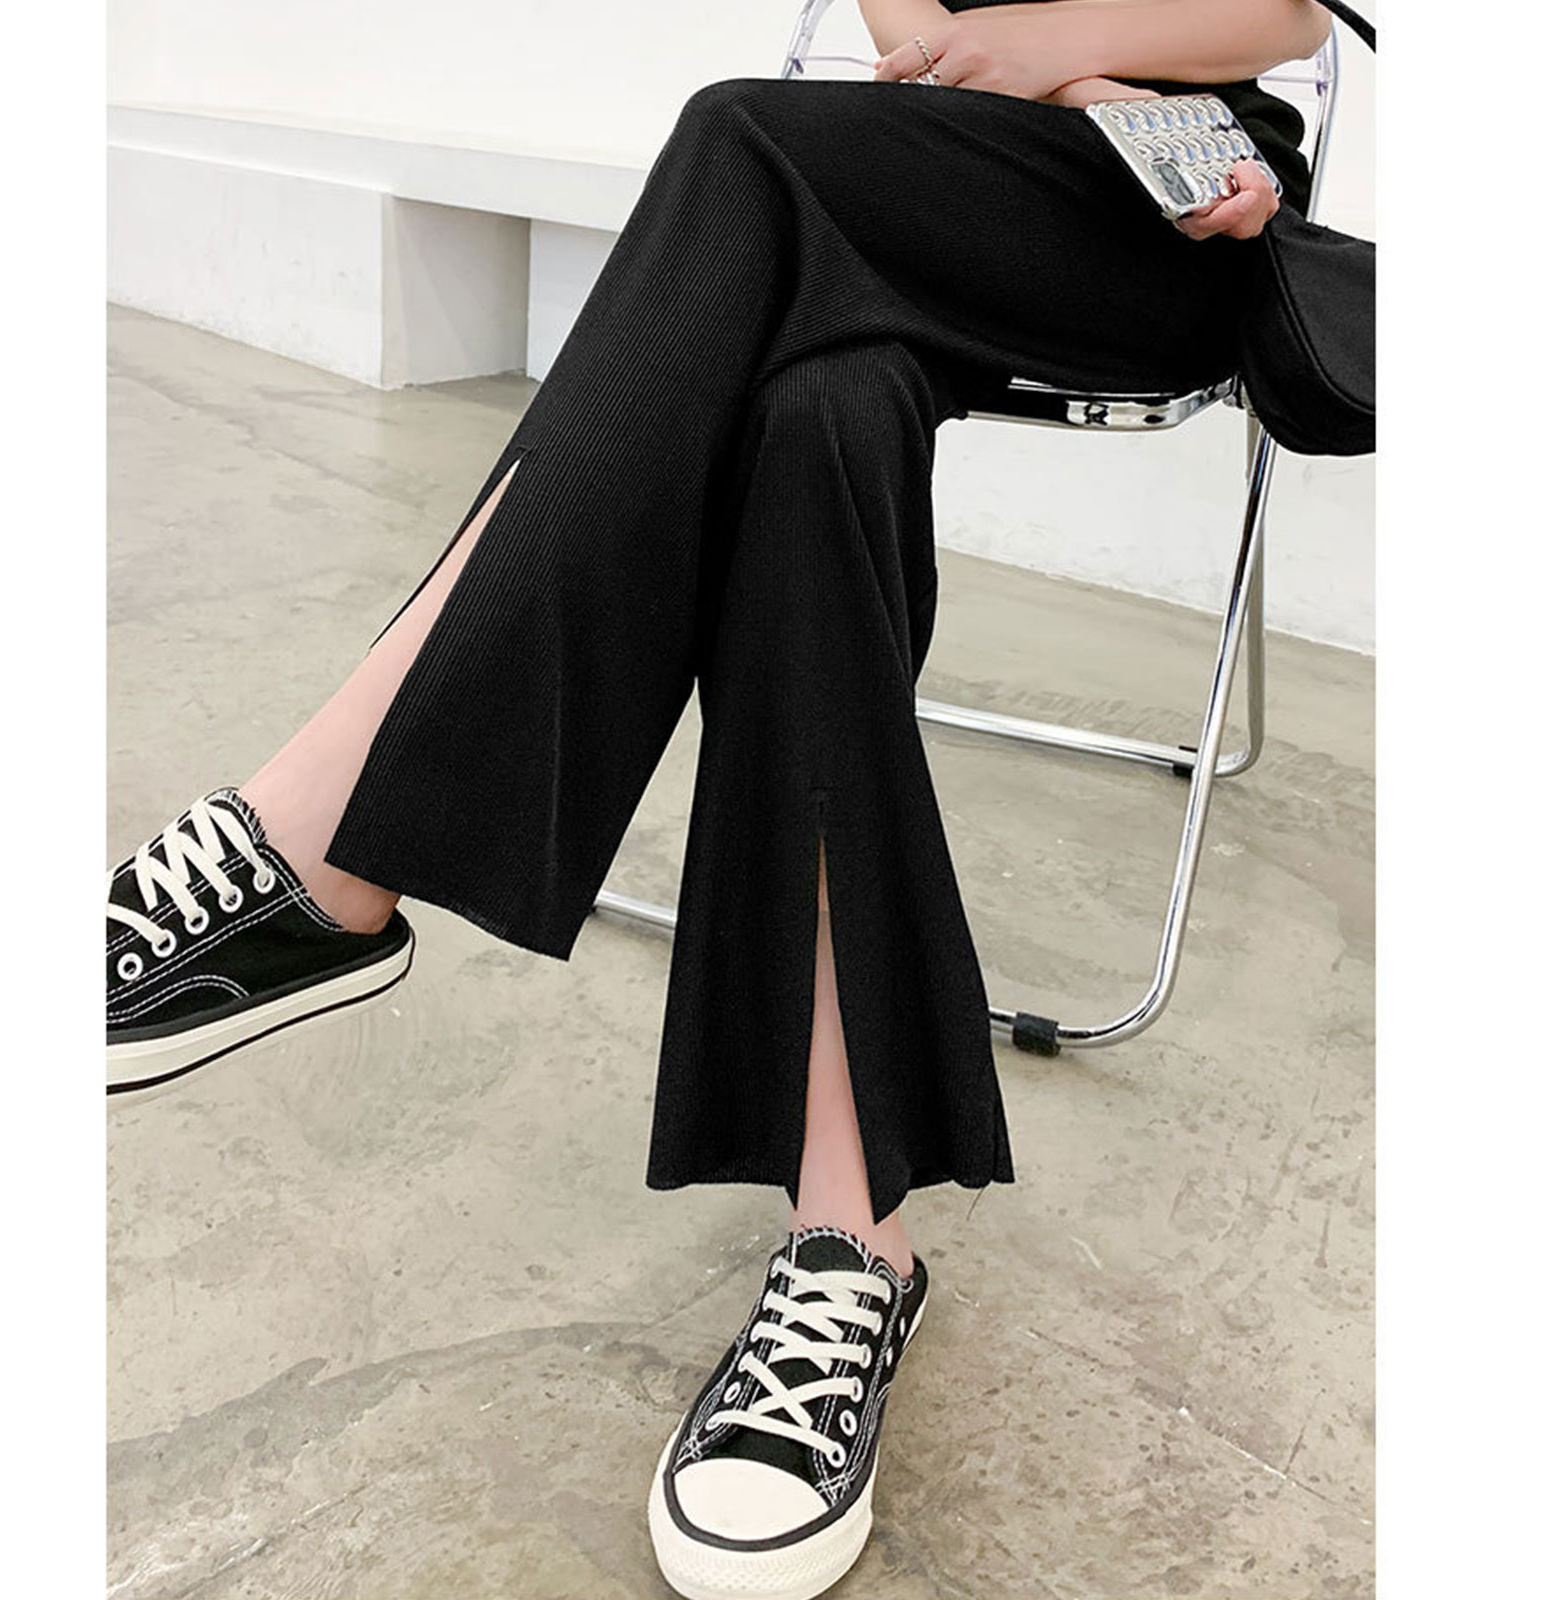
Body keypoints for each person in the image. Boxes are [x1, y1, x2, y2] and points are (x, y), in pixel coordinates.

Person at [105, 1, 1332, 1595]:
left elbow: (1279, 11)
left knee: (740, 137)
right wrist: (1009, 69)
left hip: (1149, 204)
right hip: (920, 175)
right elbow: (911, 23)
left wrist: (1068, 64)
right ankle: (851, 1231)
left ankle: (327, 833)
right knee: (815, 410)